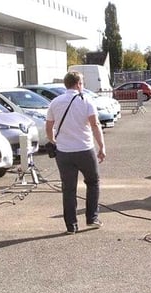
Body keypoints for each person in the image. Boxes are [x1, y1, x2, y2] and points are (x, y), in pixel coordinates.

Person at [45, 71, 106, 234]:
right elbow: (95, 125)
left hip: (64, 152)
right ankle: (92, 218)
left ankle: (71, 225)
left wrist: (53, 142)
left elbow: (49, 126)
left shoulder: (55, 102)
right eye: (82, 83)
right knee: (93, 182)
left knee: (68, 188)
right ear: (78, 84)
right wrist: (102, 146)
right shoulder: (86, 100)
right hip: (85, 149)